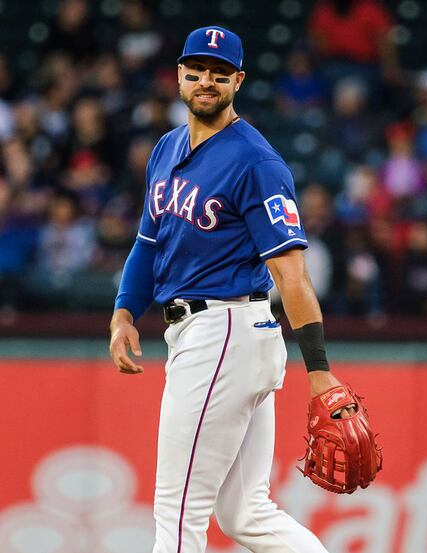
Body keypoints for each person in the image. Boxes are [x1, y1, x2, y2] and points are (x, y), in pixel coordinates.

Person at [108, 26, 352, 553]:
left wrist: (320, 371)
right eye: (196, 71)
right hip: (213, 335)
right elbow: (148, 243)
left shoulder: (256, 162)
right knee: (246, 514)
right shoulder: (167, 148)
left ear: (238, 81)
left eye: (219, 74)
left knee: (176, 515)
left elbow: (293, 276)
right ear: (178, 75)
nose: (206, 81)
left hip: (224, 331)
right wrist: (125, 313)